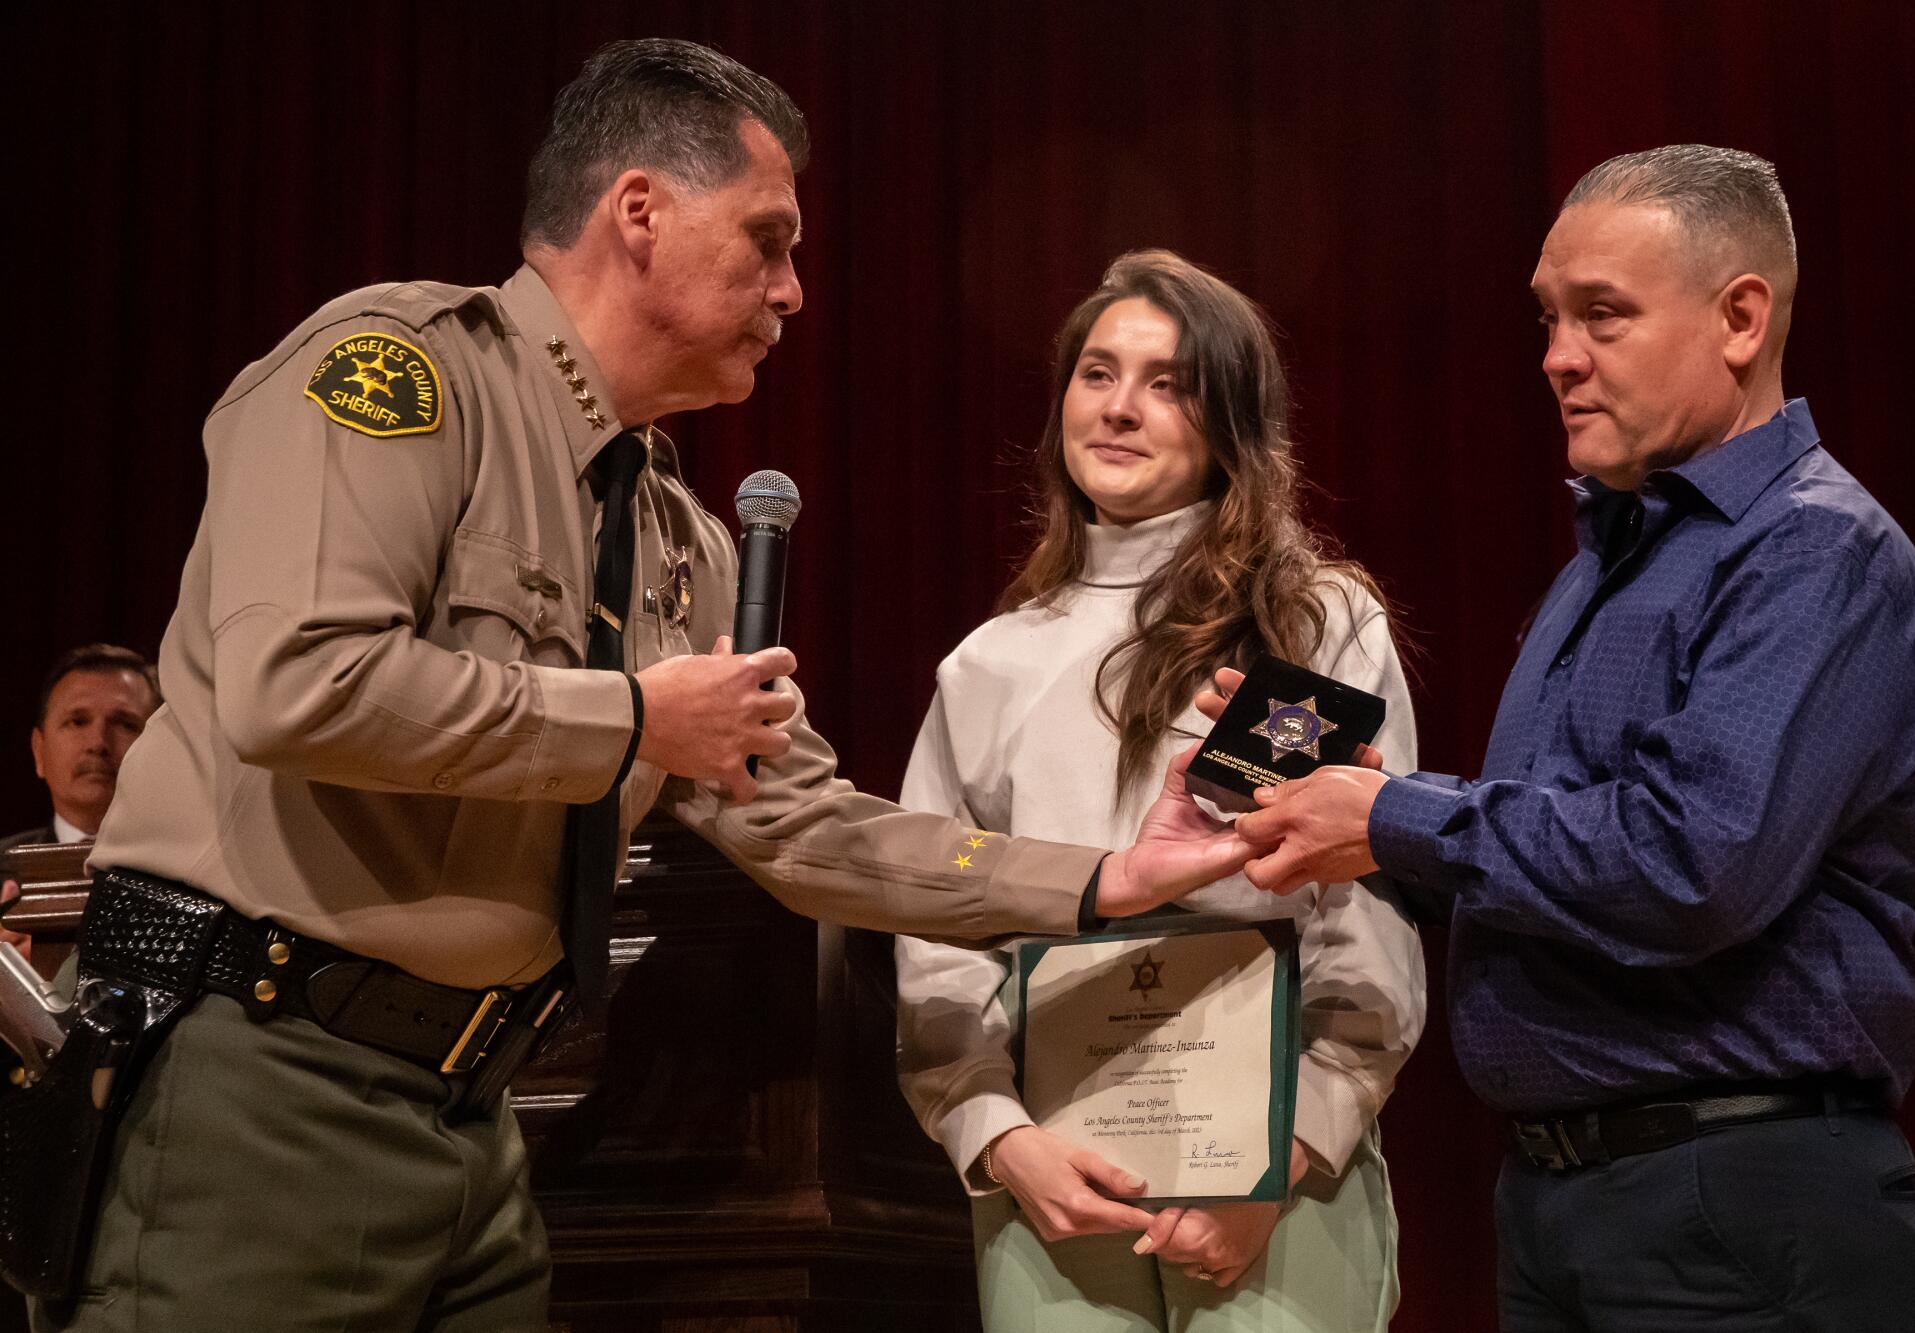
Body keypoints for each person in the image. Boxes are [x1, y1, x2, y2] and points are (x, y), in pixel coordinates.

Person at [23, 41, 1252, 1332]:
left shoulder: (680, 538)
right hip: (263, 1084)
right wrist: (634, 722)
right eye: (768, 240)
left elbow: (797, 817)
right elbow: (301, 684)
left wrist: (1103, 881)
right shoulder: (401, 372)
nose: (793, 290)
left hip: (475, 1113)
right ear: (641, 213)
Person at [1204, 146, 1915, 1330]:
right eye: (1548, 317)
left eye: (1601, 315)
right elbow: (1549, 869)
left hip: (1731, 1205)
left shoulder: (1813, 552)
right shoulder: (1609, 561)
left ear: (1740, 318)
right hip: (1566, 1200)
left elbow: (1690, 863)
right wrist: (1338, 809)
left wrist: (1390, 817)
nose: (1556, 356)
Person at [896, 251, 1424, 1331]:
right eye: (1097, 373)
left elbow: (1367, 907)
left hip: (1278, 1183)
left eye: (1169, 382)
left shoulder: (1311, 626)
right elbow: (935, 931)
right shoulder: (988, 663)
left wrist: (1284, 1155)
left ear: (1229, 420)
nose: (1122, 408)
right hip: (1057, 1182)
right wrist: (997, 1136)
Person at [0, 646, 161, 959]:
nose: (98, 743)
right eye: (77, 721)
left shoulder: (194, 878)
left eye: (125, 723)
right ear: (38, 751)